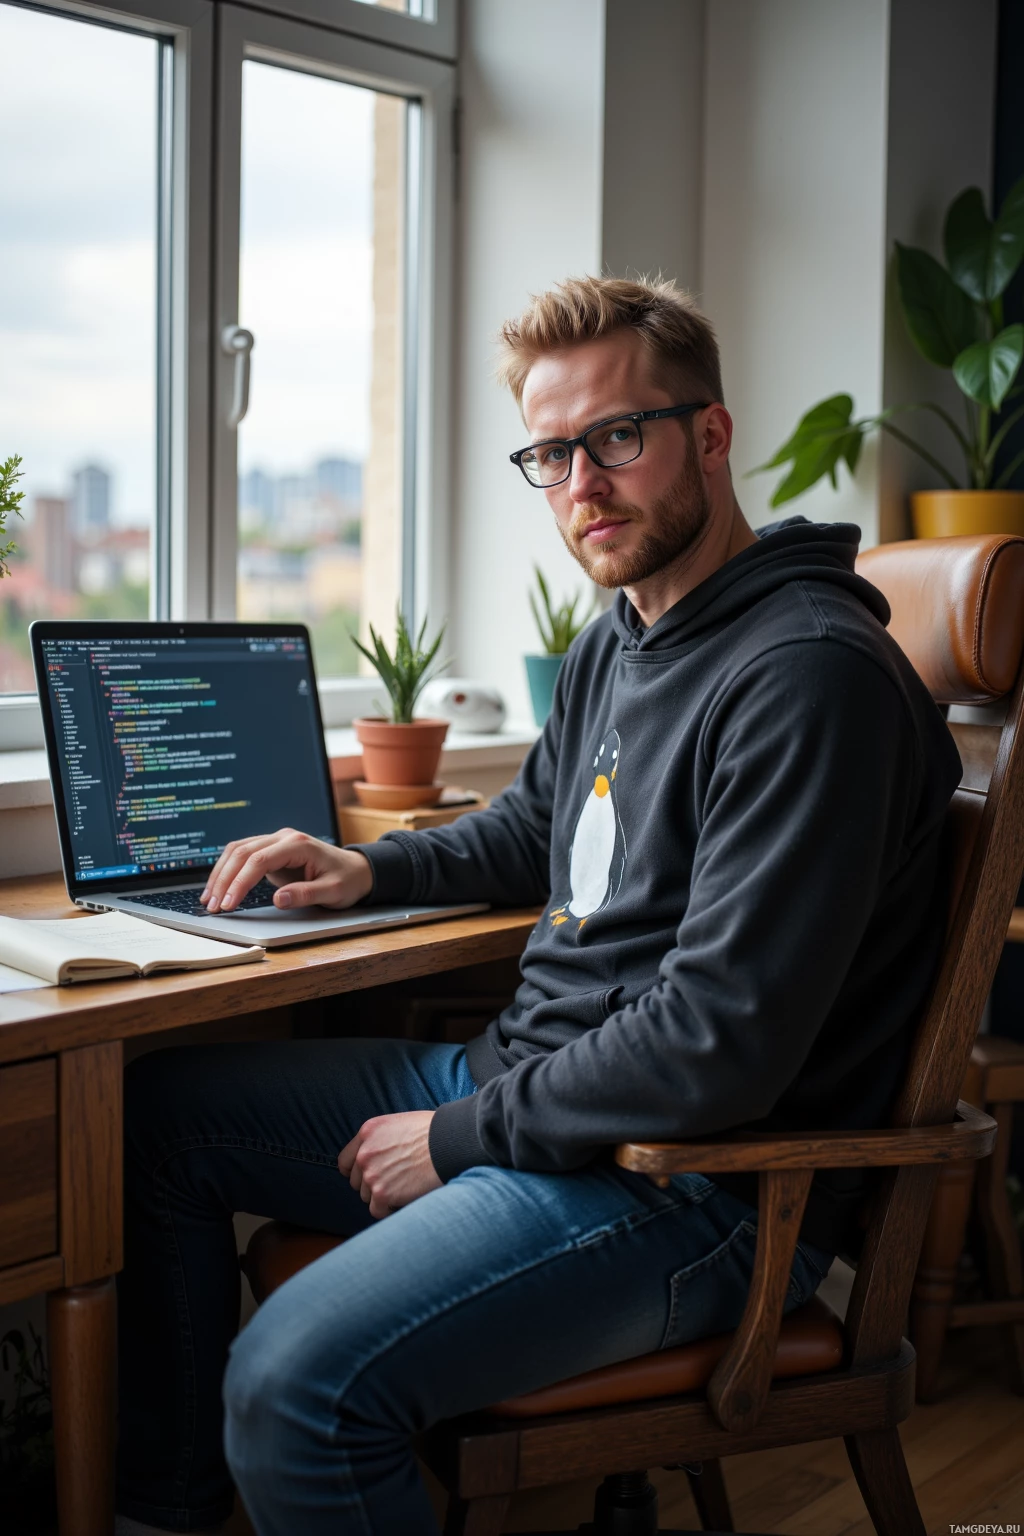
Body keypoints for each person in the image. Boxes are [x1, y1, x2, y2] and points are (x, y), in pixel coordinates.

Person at [116, 276, 961, 1536]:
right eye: (552, 453)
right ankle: (171, 1515)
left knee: (297, 1383)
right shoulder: (620, 639)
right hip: (535, 1091)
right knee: (164, 1117)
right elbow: (540, 833)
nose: (583, 485)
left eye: (617, 438)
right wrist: (370, 867)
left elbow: (716, 1041)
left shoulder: (806, 679)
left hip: (691, 1182)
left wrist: (458, 1138)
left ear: (712, 436)